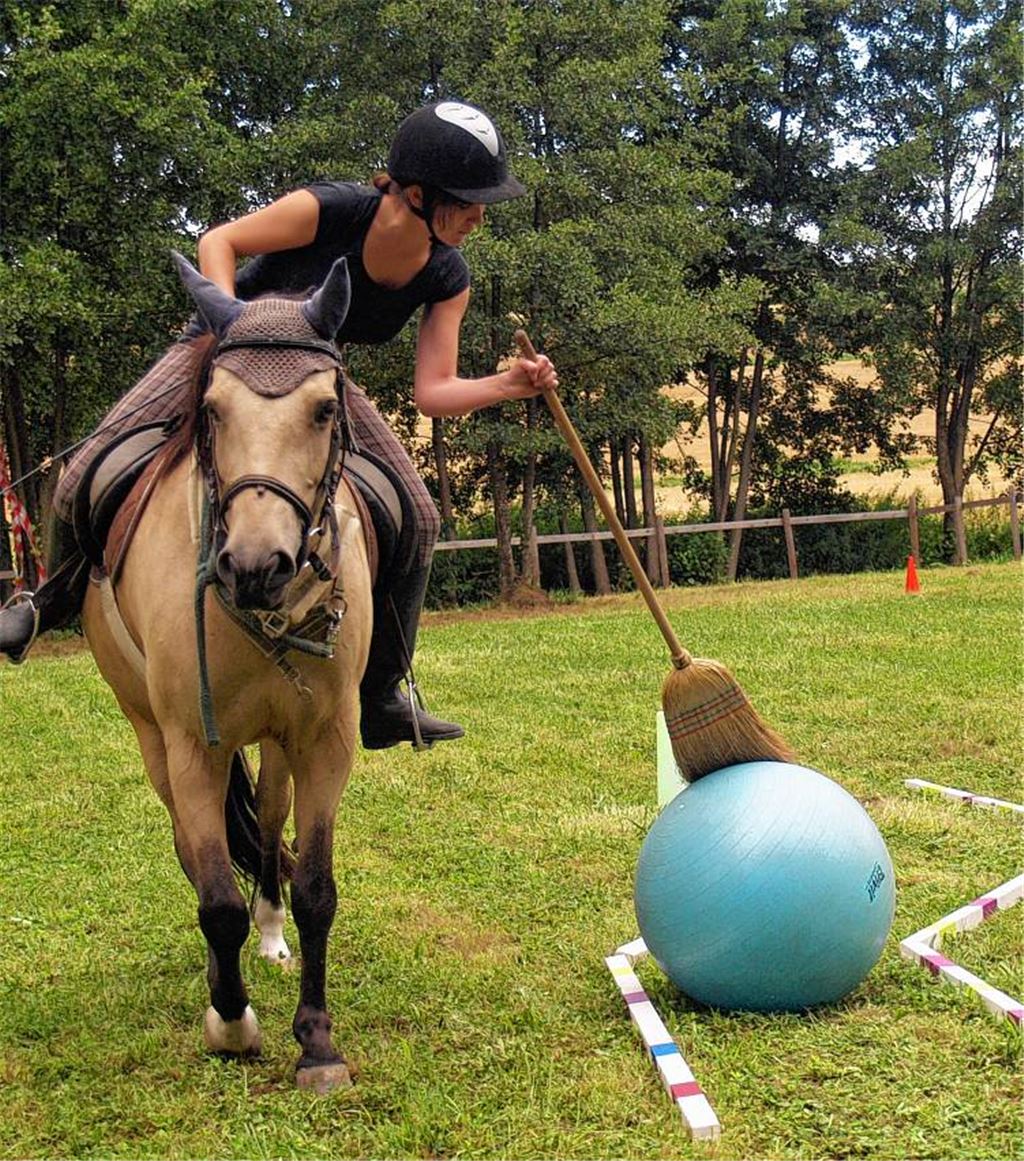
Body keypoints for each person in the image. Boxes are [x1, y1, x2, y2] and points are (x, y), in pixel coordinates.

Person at [0, 99, 558, 749]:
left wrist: (510, 384)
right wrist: (230, 332)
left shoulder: (446, 273)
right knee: (85, 467)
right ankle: (43, 603)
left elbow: (433, 391)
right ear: (414, 193)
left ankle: (378, 694)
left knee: (422, 516)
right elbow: (219, 241)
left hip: (312, 374)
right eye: (468, 200)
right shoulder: (331, 209)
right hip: (223, 347)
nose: (481, 214)